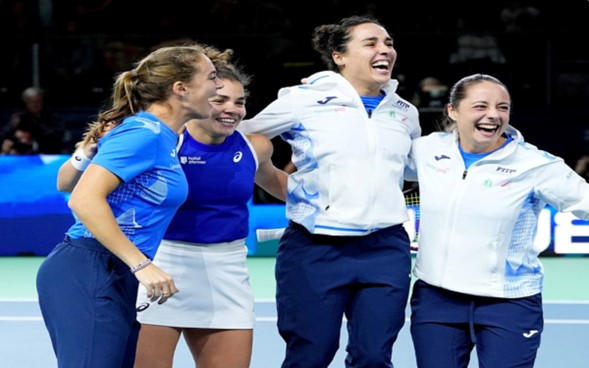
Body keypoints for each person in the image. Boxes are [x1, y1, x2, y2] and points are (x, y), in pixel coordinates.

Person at [56, 47, 289, 368]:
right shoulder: (156, 136)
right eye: (218, 96)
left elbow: (280, 183)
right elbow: (74, 189)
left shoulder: (251, 146)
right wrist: (87, 152)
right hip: (156, 265)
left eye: (240, 101)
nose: (230, 108)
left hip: (223, 270)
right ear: (188, 92)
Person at [238, 15, 421, 367]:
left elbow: (412, 169)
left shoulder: (404, 112)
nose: (385, 50)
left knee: (374, 357)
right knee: (310, 356)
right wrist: (277, 182)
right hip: (315, 249)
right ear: (339, 56)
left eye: (388, 43)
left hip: (386, 249)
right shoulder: (304, 100)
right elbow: (244, 139)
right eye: (370, 44)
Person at [36, 43, 223, 368]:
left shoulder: (163, 136)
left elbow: (72, 182)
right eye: (211, 77)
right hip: (89, 268)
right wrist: (142, 264)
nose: (218, 86)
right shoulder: (144, 133)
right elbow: (82, 198)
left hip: (115, 273)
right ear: (180, 89)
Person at [405, 73, 589, 368]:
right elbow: (374, 163)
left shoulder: (537, 165)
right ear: (453, 110)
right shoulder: (427, 151)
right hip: (436, 299)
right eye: (481, 106)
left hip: (509, 302)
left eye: (502, 107)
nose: (493, 115)